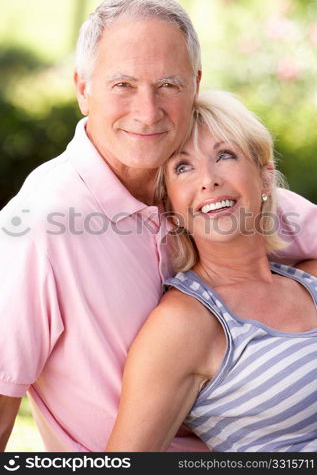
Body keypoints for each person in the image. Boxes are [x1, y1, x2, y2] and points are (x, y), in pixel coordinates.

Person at [0, 0, 316, 453]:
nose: (147, 112)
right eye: (123, 84)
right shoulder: (38, 227)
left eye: (168, 84)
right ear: (83, 89)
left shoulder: (212, 190)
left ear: (195, 85)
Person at [105, 90, 317, 453]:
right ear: (169, 203)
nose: (208, 180)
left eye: (225, 155)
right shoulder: (183, 325)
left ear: (265, 178)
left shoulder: (309, 279)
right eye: (183, 167)